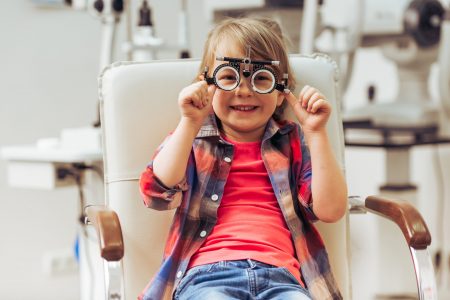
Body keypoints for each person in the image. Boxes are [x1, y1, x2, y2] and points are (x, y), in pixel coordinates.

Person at [139, 17, 347, 300]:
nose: (244, 90)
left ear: (281, 91)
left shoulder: (293, 140)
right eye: (228, 76)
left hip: (282, 278)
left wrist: (316, 132)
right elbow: (156, 192)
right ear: (206, 84)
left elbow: (331, 210)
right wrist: (189, 122)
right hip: (206, 277)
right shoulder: (194, 137)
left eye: (261, 78)